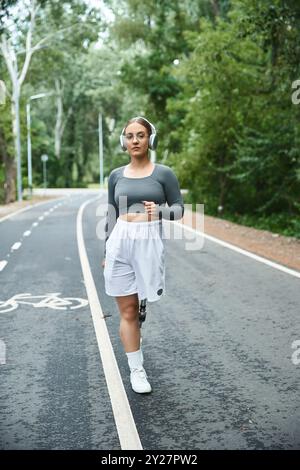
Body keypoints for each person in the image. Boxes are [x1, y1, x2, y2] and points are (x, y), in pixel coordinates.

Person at [102, 116, 184, 394]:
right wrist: (106, 250)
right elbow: (111, 213)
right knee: (126, 311)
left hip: (149, 239)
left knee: (136, 305)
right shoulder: (115, 175)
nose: (135, 141)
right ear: (123, 141)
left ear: (151, 139)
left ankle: (142, 301)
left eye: (140, 135)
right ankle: (137, 370)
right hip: (121, 239)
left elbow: (179, 209)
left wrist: (158, 211)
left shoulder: (163, 174)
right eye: (129, 136)